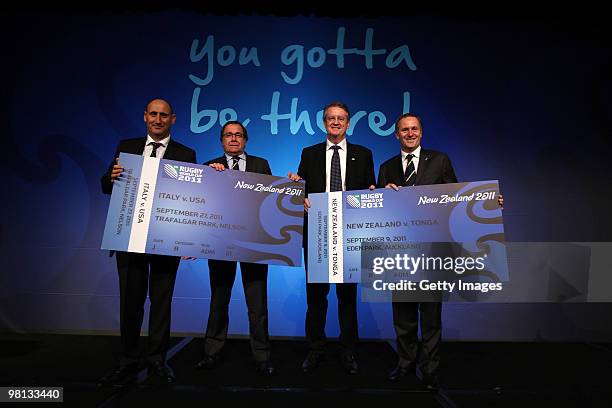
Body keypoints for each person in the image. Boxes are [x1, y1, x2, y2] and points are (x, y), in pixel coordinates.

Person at [98, 98, 197, 386]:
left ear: (173, 119)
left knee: (161, 303)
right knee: (130, 302)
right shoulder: (127, 147)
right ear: (144, 117)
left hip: (166, 239)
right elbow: (107, 185)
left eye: (163, 115)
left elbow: (192, 199)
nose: (158, 119)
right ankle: (128, 360)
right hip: (129, 238)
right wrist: (111, 176)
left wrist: (190, 240)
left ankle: (157, 359)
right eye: (153, 114)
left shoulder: (185, 153)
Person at [289, 101, 375, 375]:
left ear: (348, 123)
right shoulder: (310, 153)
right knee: (316, 296)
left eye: (341, 119)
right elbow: (301, 190)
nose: (336, 122)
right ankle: (315, 349)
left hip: (350, 234)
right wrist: (297, 191)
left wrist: (372, 193)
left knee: (347, 297)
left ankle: (348, 351)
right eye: (330, 118)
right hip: (318, 234)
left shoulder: (363, 154)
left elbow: (369, 189)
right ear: (324, 123)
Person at [378, 113, 456, 389]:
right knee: (403, 314)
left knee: (431, 315)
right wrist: (382, 195)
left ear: (421, 133)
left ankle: (430, 368)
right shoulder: (386, 167)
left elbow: (456, 198)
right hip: (398, 250)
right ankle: (404, 363)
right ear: (396, 134)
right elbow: (380, 210)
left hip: (432, 248)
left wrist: (489, 202)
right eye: (404, 130)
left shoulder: (440, 160)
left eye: (414, 129)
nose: (410, 133)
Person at [194, 121, 275, 376]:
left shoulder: (261, 164)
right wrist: (211, 175)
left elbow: (271, 201)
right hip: (220, 246)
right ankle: (211, 353)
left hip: (254, 245)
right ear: (221, 141)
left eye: (238, 135)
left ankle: (262, 357)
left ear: (245, 140)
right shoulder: (210, 166)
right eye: (228, 135)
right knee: (219, 301)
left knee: (258, 305)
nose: (233, 139)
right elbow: (200, 205)